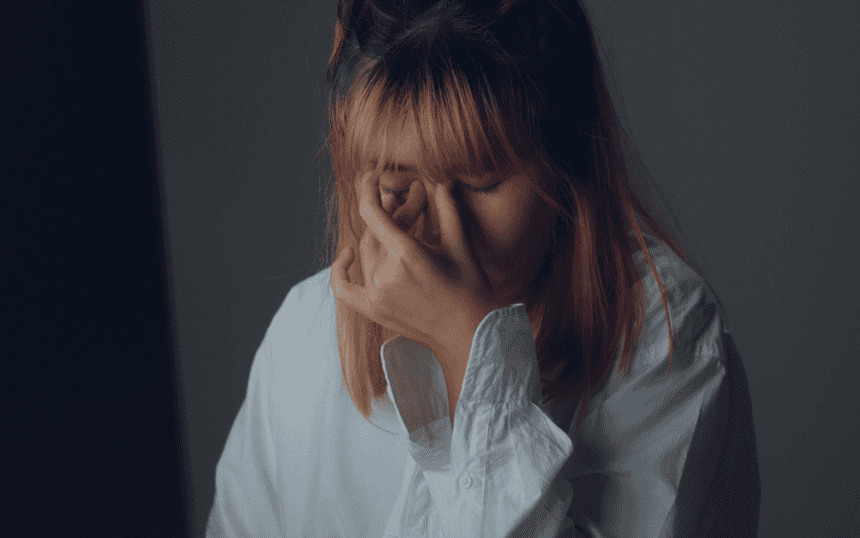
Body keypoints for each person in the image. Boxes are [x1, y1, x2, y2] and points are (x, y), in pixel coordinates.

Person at [206, 0, 760, 536]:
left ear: (565, 164)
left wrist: (470, 351)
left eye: (479, 183)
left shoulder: (665, 331)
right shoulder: (304, 335)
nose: (442, 232)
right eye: (397, 185)